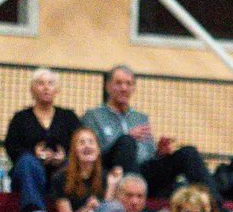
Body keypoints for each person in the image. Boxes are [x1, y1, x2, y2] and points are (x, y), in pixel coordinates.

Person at [83, 66, 216, 198]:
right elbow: (92, 153)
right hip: (112, 172)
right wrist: (125, 137)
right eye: (118, 83)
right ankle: (135, 202)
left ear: (133, 88)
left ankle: (217, 207)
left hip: (143, 172)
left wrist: (159, 153)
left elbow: (148, 155)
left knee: (188, 152)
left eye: (128, 84)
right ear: (107, 86)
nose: (124, 88)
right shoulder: (93, 116)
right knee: (126, 142)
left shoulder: (140, 117)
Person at [4, 67, 77, 212]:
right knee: (26, 161)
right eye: (40, 83)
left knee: (72, 163)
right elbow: (11, 146)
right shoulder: (21, 118)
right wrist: (35, 154)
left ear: (57, 89)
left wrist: (64, 155)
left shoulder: (68, 117)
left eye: (50, 83)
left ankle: (72, 208)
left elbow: (79, 142)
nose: (45, 87)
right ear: (32, 89)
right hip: (29, 172)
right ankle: (36, 209)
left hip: (60, 169)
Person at [45, 124, 111, 212]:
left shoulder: (105, 177)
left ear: (98, 150)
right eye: (81, 143)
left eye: (91, 142)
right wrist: (87, 209)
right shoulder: (61, 178)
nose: (87, 146)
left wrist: (112, 186)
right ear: (74, 150)